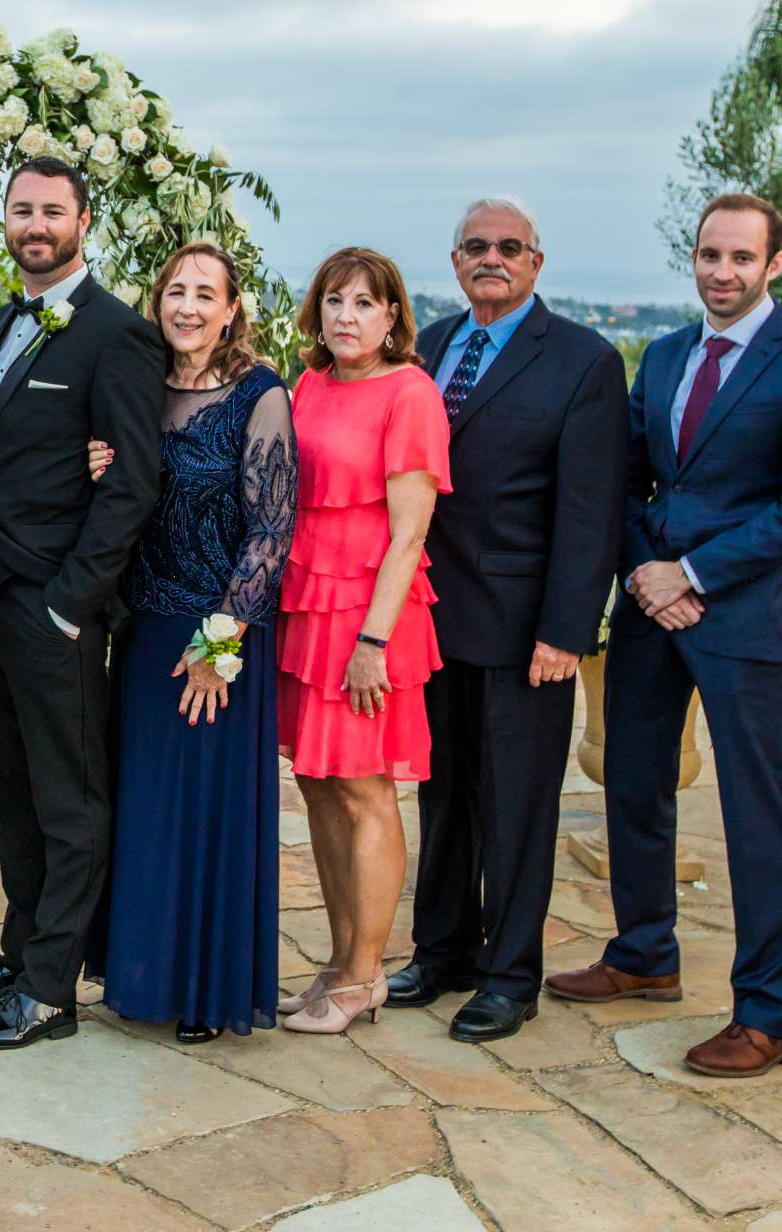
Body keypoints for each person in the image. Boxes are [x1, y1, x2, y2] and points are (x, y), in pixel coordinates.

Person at [547, 193, 782, 1078]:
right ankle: (645, 953)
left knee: (760, 813)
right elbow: (633, 480)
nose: (722, 272)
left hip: (744, 617)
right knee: (634, 784)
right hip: (654, 612)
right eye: (709, 256)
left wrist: (694, 574)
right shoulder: (669, 356)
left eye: (741, 258)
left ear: (775, 265)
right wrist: (651, 572)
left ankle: (769, 1015)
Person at [386, 198, 626, 1043]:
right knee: (443, 794)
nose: (493, 258)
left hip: (528, 634)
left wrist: (568, 630)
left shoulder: (583, 361)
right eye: (477, 247)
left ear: (536, 261)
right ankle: (442, 949)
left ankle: (509, 975)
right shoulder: (432, 347)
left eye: (510, 248)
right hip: (431, 619)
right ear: (455, 261)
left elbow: (592, 512)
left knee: (520, 808)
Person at [0, 156, 164, 1052]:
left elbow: (132, 485)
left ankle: (50, 993)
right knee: (17, 793)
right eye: (22, 210)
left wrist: (72, 604)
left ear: (82, 221)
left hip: (55, 609)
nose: (35, 225)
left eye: (52, 212)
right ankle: (24, 949)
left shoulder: (119, 334)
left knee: (70, 802)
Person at [97, 243, 295, 1044]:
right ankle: (142, 977)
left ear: (231, 309)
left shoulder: (260, 394)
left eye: (204, 293)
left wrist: (222, 643)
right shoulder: (138, 388)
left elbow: (273, 526)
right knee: (147, 808)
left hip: (218, 635)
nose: (187, 306)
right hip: (145, 628)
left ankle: (205, 990)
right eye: (174, 290)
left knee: (208, 815)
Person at [275, 247, 448, 1034]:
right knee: (317, 784)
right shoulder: (308, 385)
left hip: (369, 616)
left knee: (366, 789)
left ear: (392, 319)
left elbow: (411, 534)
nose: (347, 317)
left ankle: (366, 975)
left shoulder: (409, 393)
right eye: (335, 301)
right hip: (308, 604)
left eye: (365, 304)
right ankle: (341, 962)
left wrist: (373, 641)